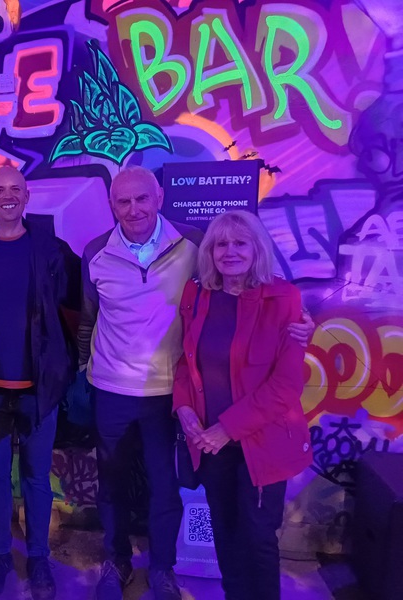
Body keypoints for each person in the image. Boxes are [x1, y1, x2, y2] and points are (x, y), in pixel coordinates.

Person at [78, 167, 314, 600]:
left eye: (142, 198)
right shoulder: (98, 253)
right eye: (123, 201)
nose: (134, 209)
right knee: (113, 485)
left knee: (171, 491)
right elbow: (90, 321)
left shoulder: (194, 243)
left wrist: (301, 326)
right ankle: (117, 561)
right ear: (112, 205)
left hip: (174, 398)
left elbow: (281, 371)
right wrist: (85, 369)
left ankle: (163, 568)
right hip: (116, 391)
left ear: (159, 197)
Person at [173, 210, 312, 600]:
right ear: (210, 252)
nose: (229, 251)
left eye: (240, 243)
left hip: (261, 444)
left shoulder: (284, 298)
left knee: (258, 537)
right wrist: (183, 407)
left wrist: (226, 429)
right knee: (225, 532)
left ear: (257, 249)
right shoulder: (196, 295)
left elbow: (286, 385)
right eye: (221, 244)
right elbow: (185, 360)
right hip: (210, 445)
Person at [0, 166, 80, 600]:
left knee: (37, 478)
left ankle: (39, 557)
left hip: (37, 391)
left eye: (15, 189)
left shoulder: (51, 251)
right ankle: (0, 555)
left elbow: (76, 310)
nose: (7, 196)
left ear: (27, 197)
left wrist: (66, 368)